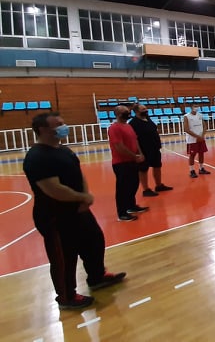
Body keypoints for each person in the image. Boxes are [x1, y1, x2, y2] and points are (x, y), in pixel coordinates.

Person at [23, 112, 127, 309]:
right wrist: (82, 197)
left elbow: (79, 174)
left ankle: (97, 277)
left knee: (94, 241)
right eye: (58, 124)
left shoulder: (63, 150)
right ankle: (66, 296)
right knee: (65, 257)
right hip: (55, 215)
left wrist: (85, 195)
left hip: (78, 208)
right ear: (43, 129)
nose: (64, 127)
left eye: (63, 122)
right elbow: (53, 188)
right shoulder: (37, 157)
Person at [108, 105, 149, 221]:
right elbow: (119, 147)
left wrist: (140, 153)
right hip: (121, 163)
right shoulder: (114, 128)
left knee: (133, 184)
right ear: (118, 114)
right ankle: (122, 213)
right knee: (122, 188)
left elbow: (135, 141)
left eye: (128, 111)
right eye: (125, 112)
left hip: (132, 161)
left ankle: (131, 206)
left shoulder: (128, 126)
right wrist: (134, 156)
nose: (128, 113)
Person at [129, 104, 172, 197]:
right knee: (143, 169)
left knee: (157, 166)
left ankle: (159, 185)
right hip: (144, 150)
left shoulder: (148, 119)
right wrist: (139, 153)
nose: (146, 110)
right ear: (136, 111)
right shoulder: (133, 123)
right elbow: (134, 139)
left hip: (154, 148)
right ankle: (146, 189)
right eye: (143, 109)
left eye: (146, 108)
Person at [184, 103, 211, 178]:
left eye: (197, 106)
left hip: (201, 138)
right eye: (195, 106)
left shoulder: (200, 115)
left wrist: (202, 135)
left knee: (201, 153)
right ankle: (192, 170)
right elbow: (186, 129)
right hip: (192, 139)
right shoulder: (186, 116)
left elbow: (204, 126)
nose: (196, 108)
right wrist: (197, 136)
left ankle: (201, 168)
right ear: (191, 107)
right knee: (192, 155)